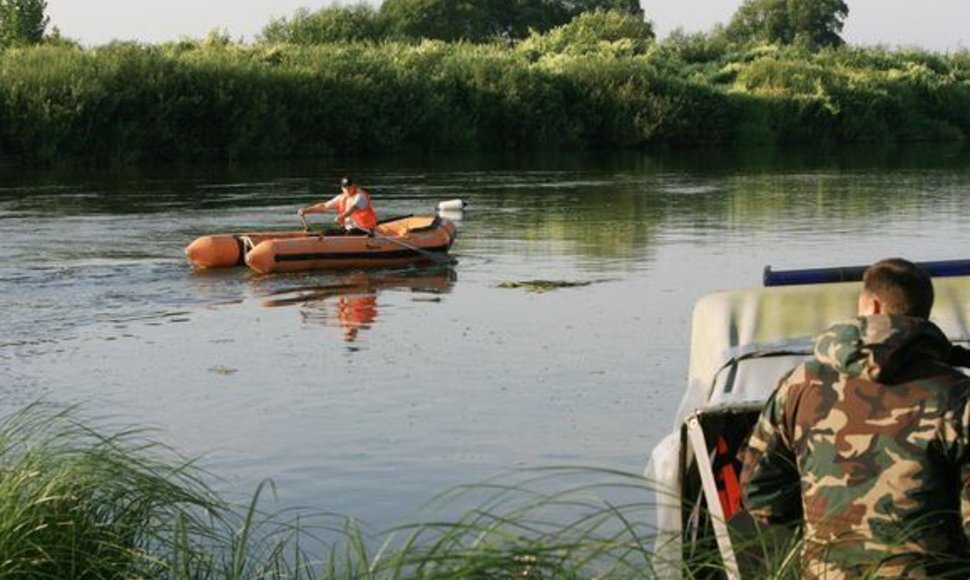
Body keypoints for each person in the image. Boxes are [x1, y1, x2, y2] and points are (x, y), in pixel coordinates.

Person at [739, 257, 970, 578]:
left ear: (873, 307)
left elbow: (761, 496)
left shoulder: (798, 385)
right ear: (924, 314)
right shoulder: (958, 393)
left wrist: (824, 522)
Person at [298, 177, 378, 234]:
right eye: (345, 187)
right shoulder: (341, 198)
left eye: (349, 186)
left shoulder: (360, 196)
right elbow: (324, 206)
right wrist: (306, 210)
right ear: (342, 188)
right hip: (348, 228)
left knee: (351, 233)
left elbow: (353, 209)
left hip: (365, 229)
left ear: (354, 186)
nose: (347, 189)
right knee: (328, 232)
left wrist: (341, 216)